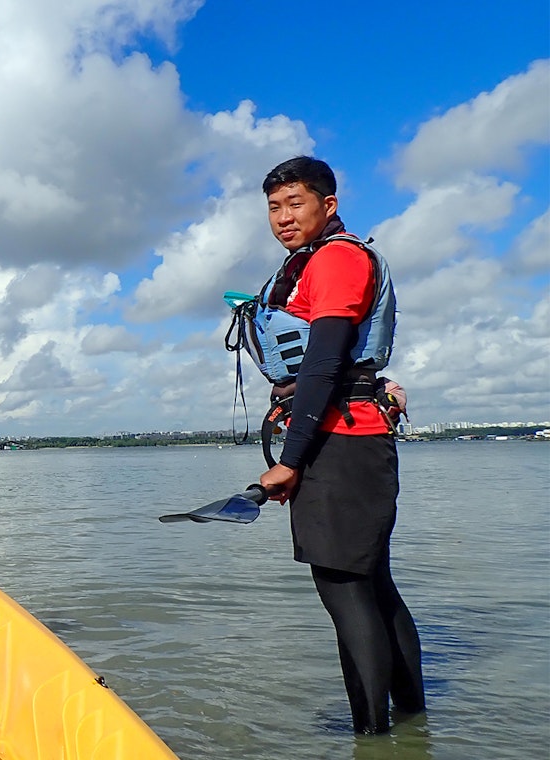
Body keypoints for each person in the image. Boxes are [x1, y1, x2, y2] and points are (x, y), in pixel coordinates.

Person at [250, 157, 426, 733]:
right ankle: (411, 723)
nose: (282, 217)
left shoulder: (337, 260)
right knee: (371, 584)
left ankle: (371, 736)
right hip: (354, 441)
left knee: (343, 588)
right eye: (274, 207)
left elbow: (324, 363)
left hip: (340, 444)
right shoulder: (326, 259)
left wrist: (291, 461)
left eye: (295, 202)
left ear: (328, 203)